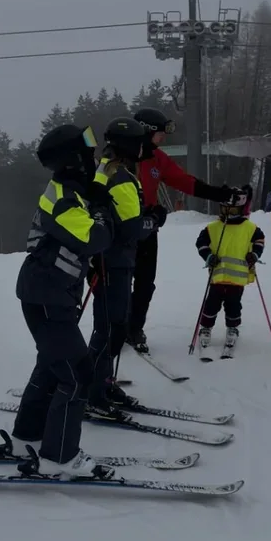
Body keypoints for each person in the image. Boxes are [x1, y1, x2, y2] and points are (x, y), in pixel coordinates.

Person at [8, 124, 116, 479]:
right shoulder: (64, 198)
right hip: (46, 295)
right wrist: (102, 213)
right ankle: (59, 457)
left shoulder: (70, 189)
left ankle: (28, 438)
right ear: (72, 157)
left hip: (48, 293)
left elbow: (88, 199)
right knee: (77, 373)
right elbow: (94, 238)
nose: (93, 149)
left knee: (52, 365)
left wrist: (99, 192)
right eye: (86, 144)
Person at [126, 107, 240, 352]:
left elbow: (185, 181)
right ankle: (111, 328)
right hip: (121, 232)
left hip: (147, 231)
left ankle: (133, 328)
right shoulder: (121, 158)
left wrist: (219, 194)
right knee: (118, 282)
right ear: (146, 132)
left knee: (145, 284)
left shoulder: (157, 158)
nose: (163, 138)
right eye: (159, 133)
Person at [86, 118, 159, 415]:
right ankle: (95, 390)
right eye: (142, 142)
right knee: (112, 328)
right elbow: (131, 229)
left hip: (106, 259)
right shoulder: (122, 177)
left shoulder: (106, 168)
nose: (146, 147)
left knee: (109, 326)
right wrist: (155, 220)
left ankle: (100, 382)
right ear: (130, 145)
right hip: (114, 262)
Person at [195, 186, 264, 352]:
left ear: (240, 208)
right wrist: (208, 256)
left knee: (233, 306)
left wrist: (254, 255)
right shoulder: (213, 227)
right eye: (224, 208)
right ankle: (206, 327)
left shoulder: (250, 228)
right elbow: (201, 243)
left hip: (237, 278)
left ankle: (232, 328)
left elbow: (260, 241)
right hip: (218, 276)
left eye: (231, 208)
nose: (227, 211)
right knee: (211, 304)